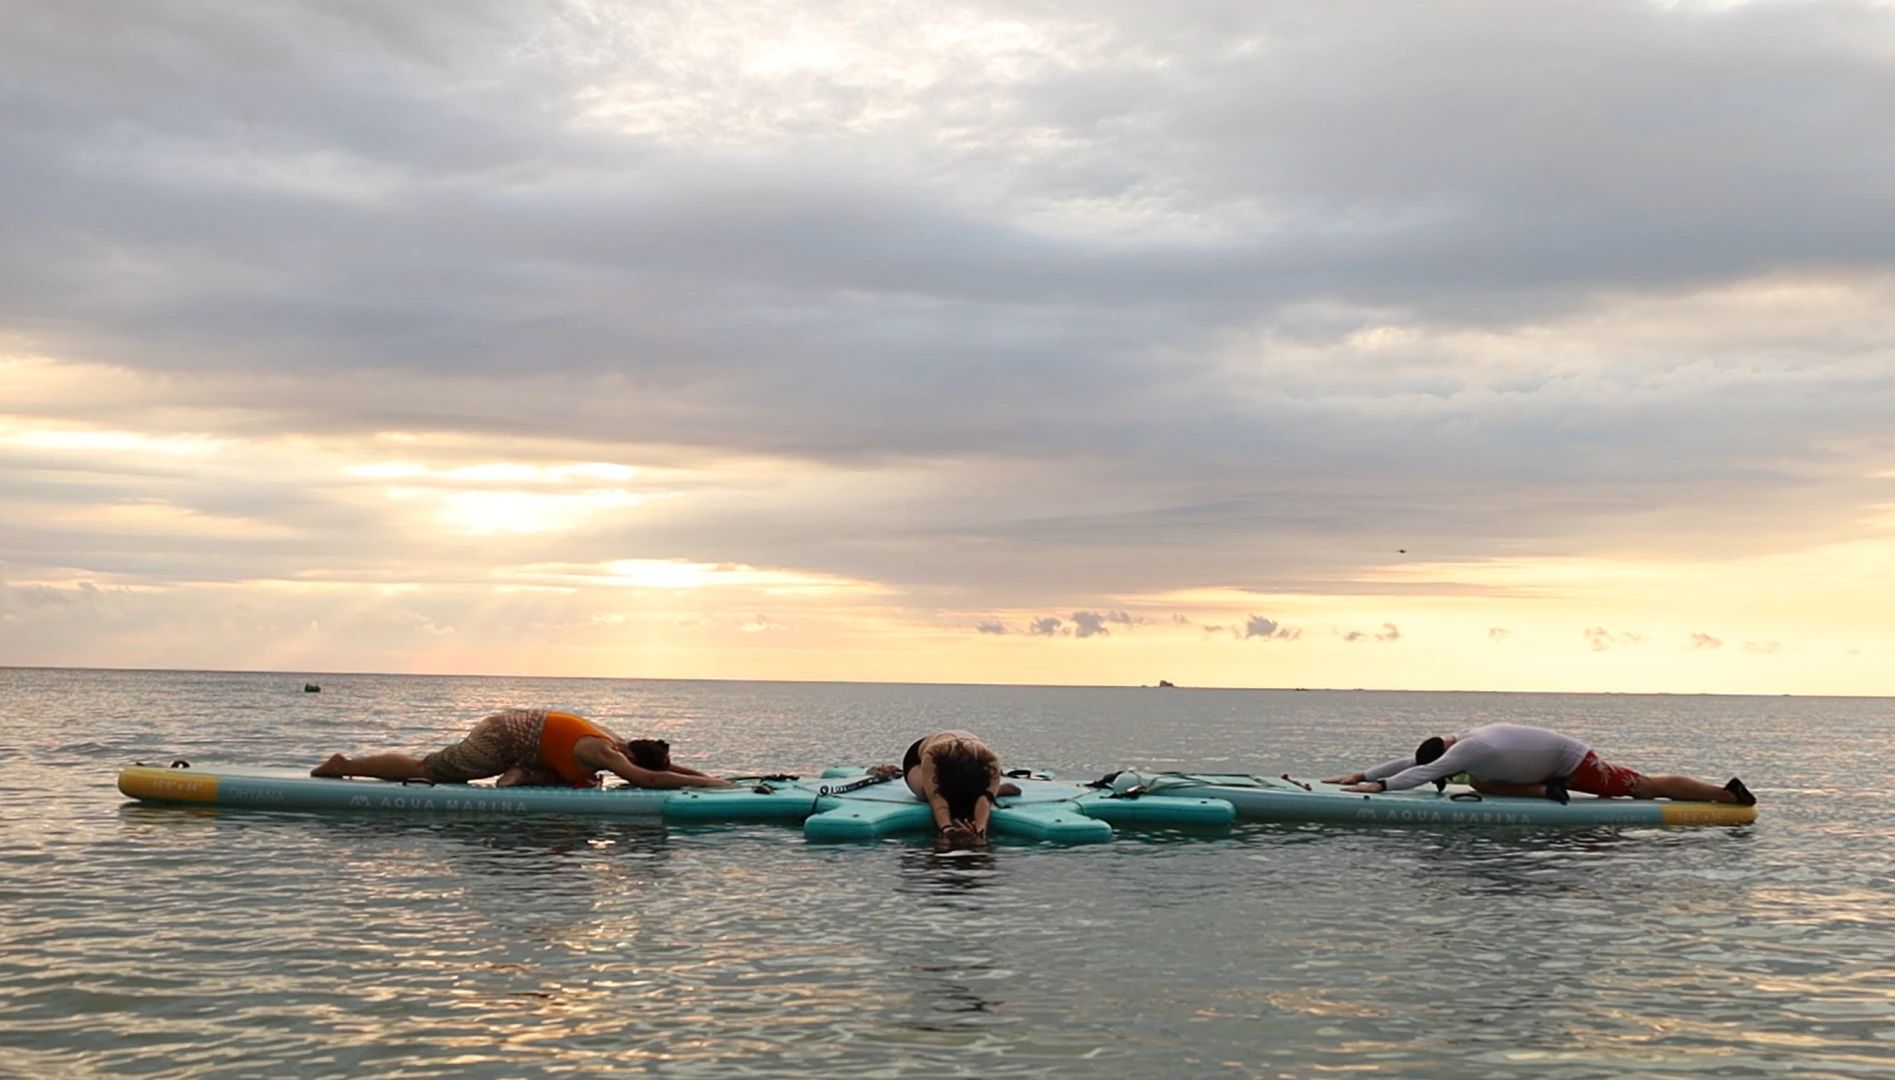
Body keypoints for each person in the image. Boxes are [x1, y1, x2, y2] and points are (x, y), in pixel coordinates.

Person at [1324, 722, 1755, 805]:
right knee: (1480, 782)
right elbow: (1412, 761)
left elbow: (1418, 772)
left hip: (1573, 761)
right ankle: (1543, 792)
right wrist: (1361, 774)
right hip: (1540, 768)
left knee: (1642, 788)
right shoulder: (1456, 741)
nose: (1442, 772)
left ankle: (1726, 794)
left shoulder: (1466, 750)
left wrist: (1378, 790)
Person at [311, 708, 736, 790]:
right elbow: (651, 778)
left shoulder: (619, 746)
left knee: (577, 784)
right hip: (501, 737)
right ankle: (343, 765)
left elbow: (663, 767)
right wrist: (721, 787)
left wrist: (723, 781)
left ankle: (518, 775)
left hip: (530, 748)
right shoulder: (606, 752)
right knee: (427, 769)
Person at [868, 731, 1021, 842]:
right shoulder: (934, 754)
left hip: (967, 767)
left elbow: (985, 801)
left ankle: (993, 790)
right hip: (917, 759)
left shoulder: (990, 760)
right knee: (924, 793)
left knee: (974, 798)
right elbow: (936, 798)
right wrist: (946, 829)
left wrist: (980, 832)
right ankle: (990, 790)